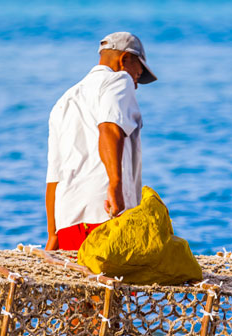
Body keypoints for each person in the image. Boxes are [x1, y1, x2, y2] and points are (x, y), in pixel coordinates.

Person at [44, 32, 157, 251]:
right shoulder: (119, 80)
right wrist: (115, 185)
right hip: (107, 214)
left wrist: (53, 233)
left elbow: (54, 175)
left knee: (85, 285)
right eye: (138, 72)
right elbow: (109, 128)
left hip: (69, 222)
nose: (137, 81)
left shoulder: (65, 100)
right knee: (120, 285)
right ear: (124, 59)